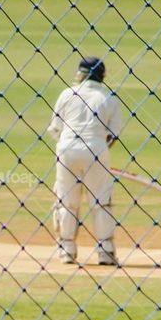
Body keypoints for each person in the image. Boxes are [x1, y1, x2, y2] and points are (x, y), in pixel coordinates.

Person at [47, 57, 122, 266]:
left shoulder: (67, 94)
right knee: (100, 202)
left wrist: (71, 148)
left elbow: (55, 128)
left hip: (66, 148)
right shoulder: (108, 98)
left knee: (67, 201)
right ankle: (105, 252)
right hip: (96, 149)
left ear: (81, 73)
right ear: (102, 76)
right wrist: (97, 156)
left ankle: (66, 251)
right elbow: (112, 136)